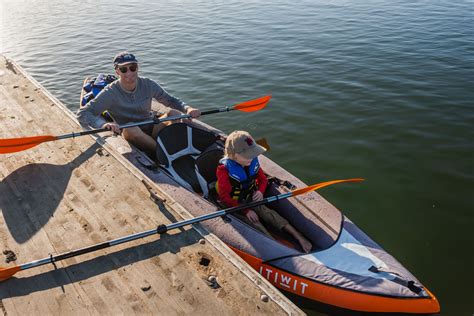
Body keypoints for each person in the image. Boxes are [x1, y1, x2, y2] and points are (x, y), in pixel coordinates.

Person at [76, 51, 200, 157]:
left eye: (133, 68)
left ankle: (164, 144)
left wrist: (187, 108)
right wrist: (103, 124)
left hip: (151, 125)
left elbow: (170, 100)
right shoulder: (110, 92)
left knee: (175, 113)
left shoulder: (148, 84)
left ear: (138, 67)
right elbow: (83, 113)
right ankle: (162, 152)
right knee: (131, 127)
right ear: (117, 72)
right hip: (131, 133)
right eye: (124, 69)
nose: (129, 73)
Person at [216, 131, 312, 253]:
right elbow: (225, 197)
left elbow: (262, 179)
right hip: (234, 203)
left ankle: (299, 236)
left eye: (253, 153)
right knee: (256, 224)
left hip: (251, 196)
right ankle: (279, 248)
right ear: (233, 155)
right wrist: (246, 211)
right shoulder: (223, 170)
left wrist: (260, 192)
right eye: (248, 155)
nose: (251, 157)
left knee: (269, 214)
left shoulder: (252, 161)